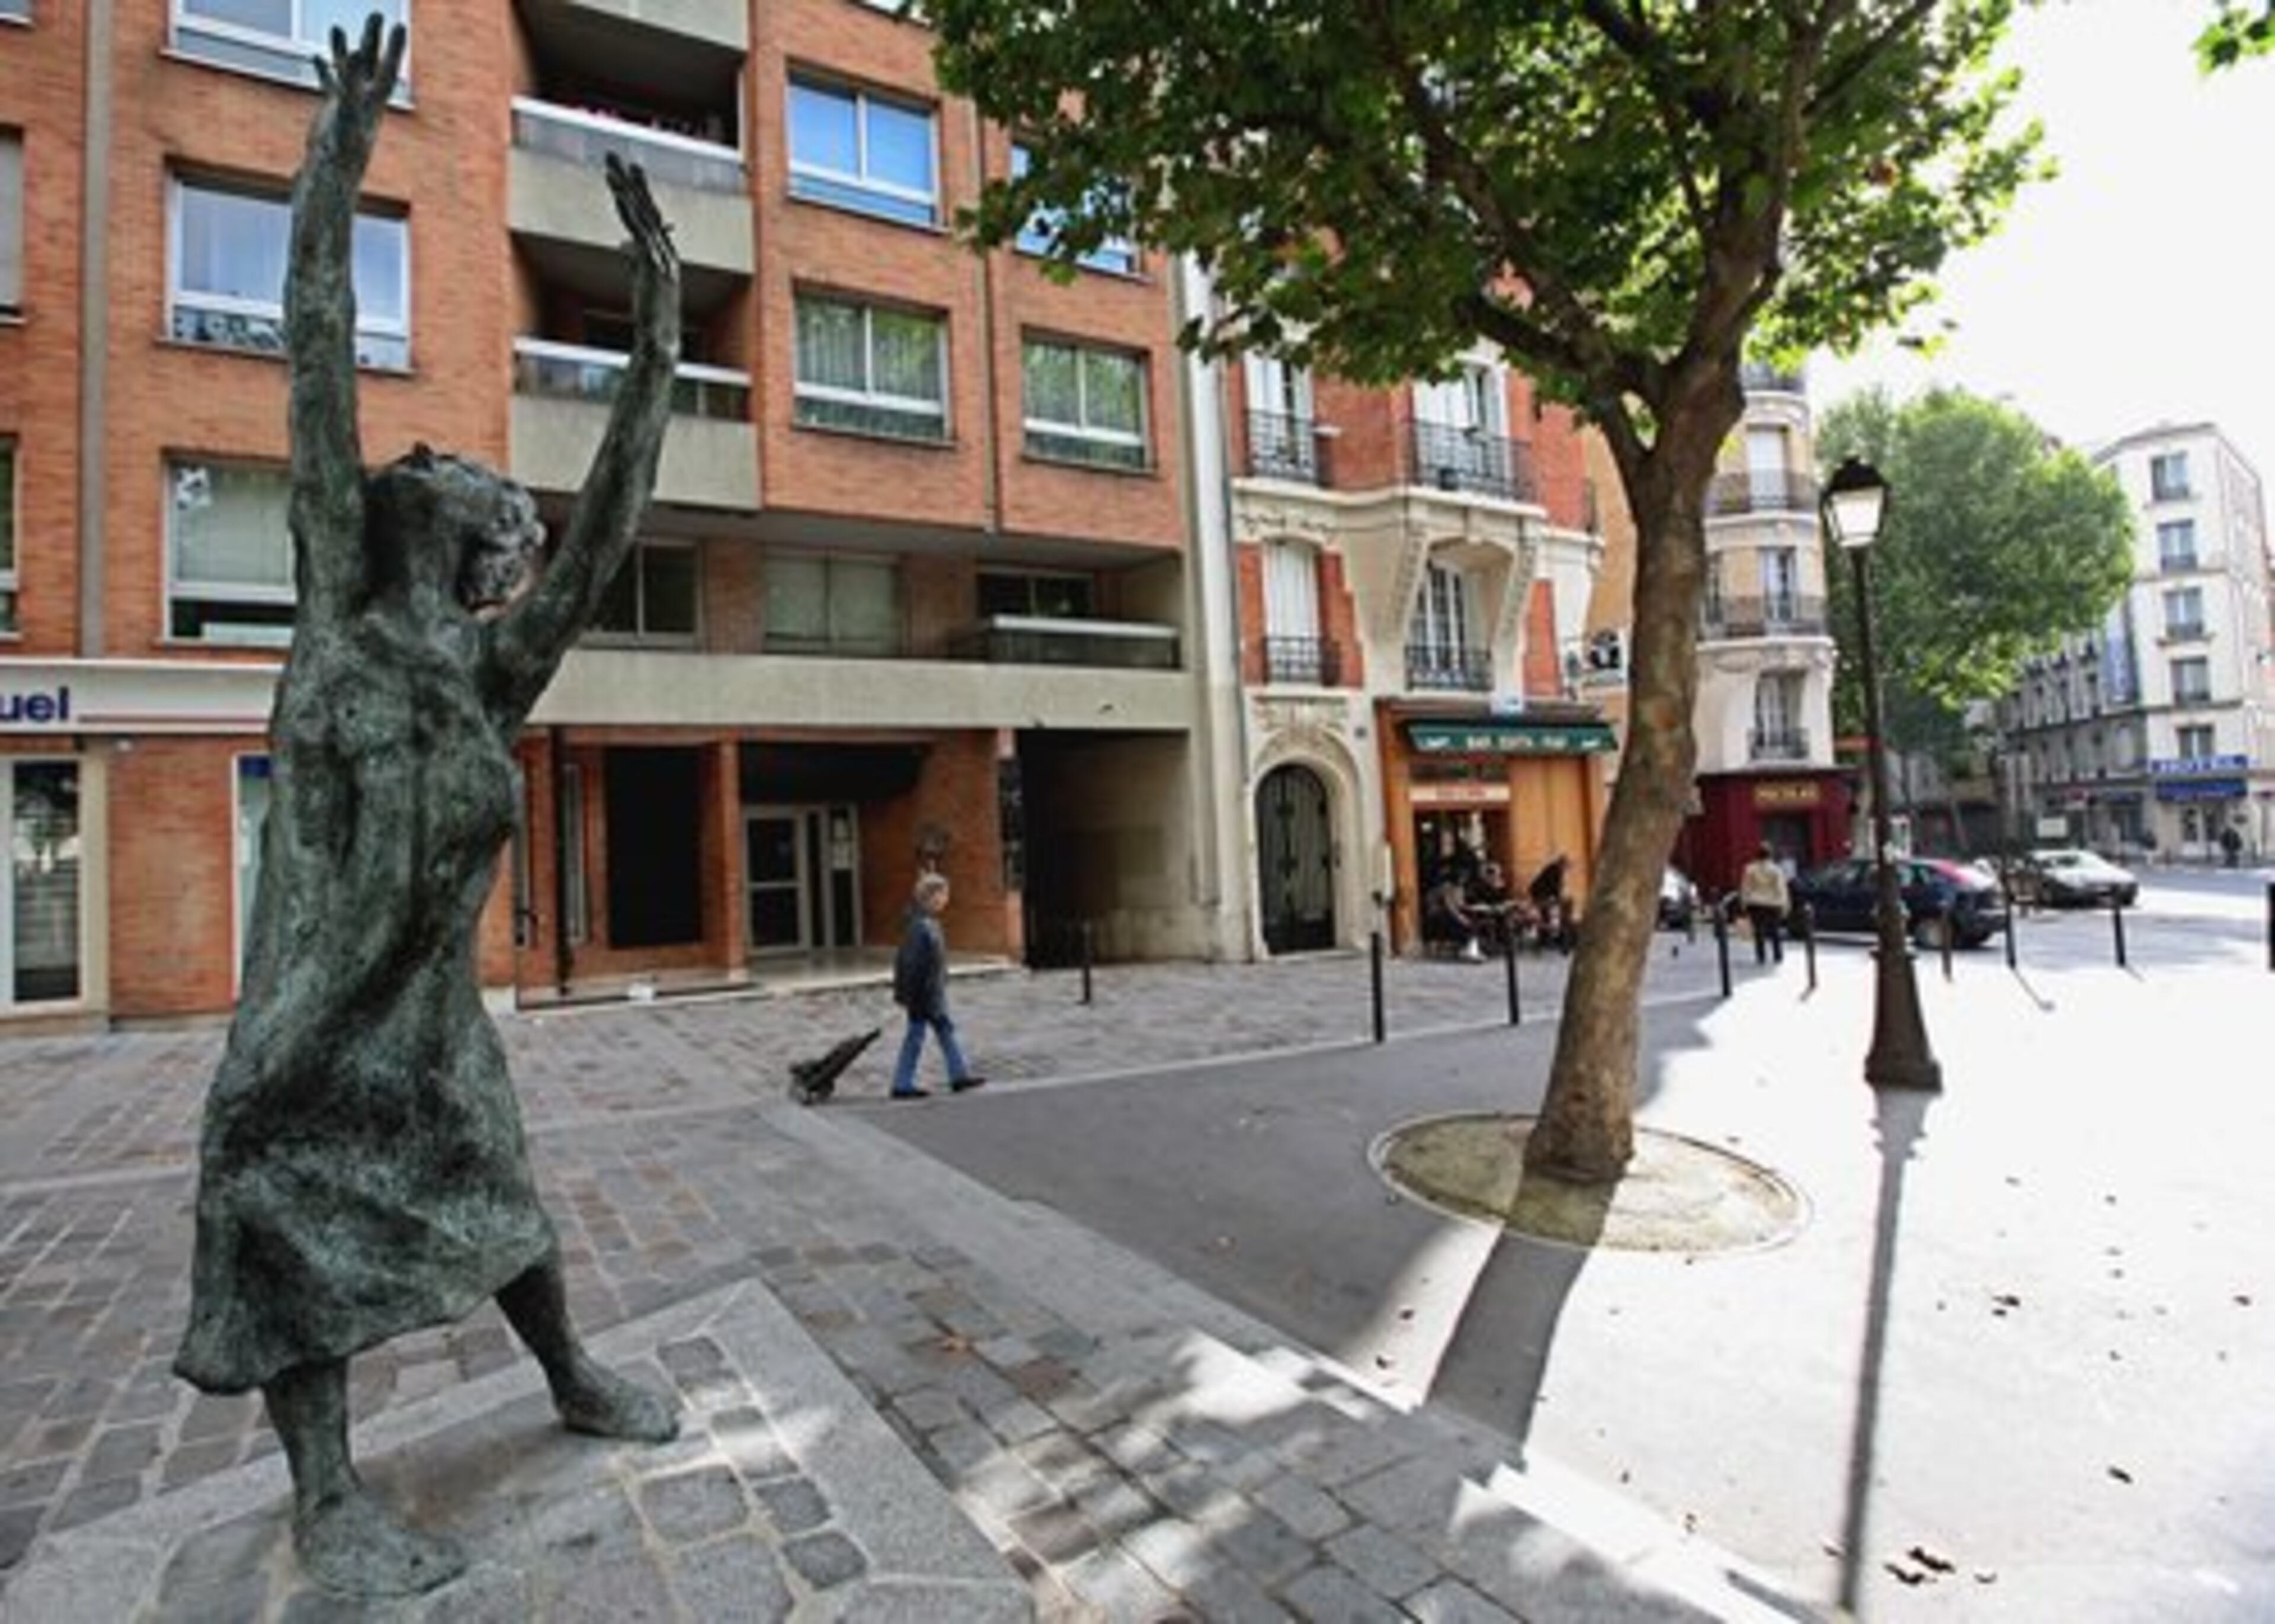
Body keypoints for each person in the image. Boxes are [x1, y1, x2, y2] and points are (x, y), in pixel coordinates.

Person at [173, 23, 682, 1599]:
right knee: (282, 1210)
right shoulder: (339, 598)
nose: (440, 455)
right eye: (440, 455)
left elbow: (607, 529)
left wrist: (659, 333)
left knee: (497, 1190)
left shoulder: (490, 670)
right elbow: (316, 359)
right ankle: (328, 1495)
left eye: (463, 464)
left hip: (435, 1020)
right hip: (314, 1008)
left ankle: (571, 1371)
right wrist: (336, 165)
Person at [891, 872, 988, 1097]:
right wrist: (916, 997)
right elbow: (912, 965)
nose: (946, 899)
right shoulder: (921, 926)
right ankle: (902, 1084)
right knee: (916, 1037)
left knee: (945, 1031)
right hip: (924, 996)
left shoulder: (927, 922)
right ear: (932, 896)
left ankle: (958, 1076)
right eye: (944, 894)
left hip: (931, 994)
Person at [1739, 842, 1792, 964]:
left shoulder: (1750, 869)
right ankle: (1778, 955)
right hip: (1773, 904)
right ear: (1770, 855)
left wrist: (1744, 904)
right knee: (1775, 931)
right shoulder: (1776, 870)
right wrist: (1785, 905)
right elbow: (1781, 889)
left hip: (1755, 903)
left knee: (1759, 931)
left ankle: (1761, 956)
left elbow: (1746, 888)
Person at [1527, 853, 1573, 952]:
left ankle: (1545, 939)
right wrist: (1558, 898)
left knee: (1546, 916)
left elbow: (1556, 887)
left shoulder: (1554, 869)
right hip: (1540, 894)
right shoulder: (1555, 871)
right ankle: (1547, 939)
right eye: (1566, 867)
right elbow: (1555, 886)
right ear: (1562, 864)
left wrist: (1557, 897)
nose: (1566, 870)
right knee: (1547, 916)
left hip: (1541, 894)